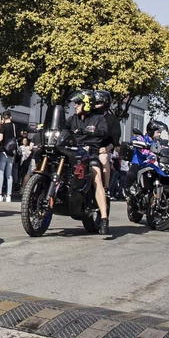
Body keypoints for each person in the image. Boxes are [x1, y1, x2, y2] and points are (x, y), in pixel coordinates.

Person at [65, 91, 117, 233]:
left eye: (78, 103)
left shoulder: (99, 119)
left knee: (97, 176)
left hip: (90, 153)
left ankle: (104, 218)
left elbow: (104, 131)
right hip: (73, 152)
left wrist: (92, 132)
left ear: (87, 104)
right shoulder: (73, 119)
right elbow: (63, 126)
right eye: (75, 103)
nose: (75, 106)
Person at [0, 112, 18, 202]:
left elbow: (0, 138)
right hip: (11, 152)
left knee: (0, 172)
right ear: (10, 117)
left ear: (3, 118)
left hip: (4, 152)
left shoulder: (3, 126)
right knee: (9, 174)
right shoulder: (14, 126)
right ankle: (8, 195)